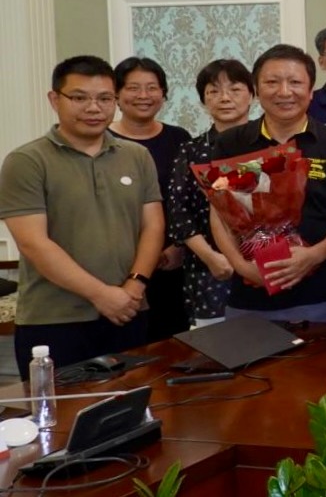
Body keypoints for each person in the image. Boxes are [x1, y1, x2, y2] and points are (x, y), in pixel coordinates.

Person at [0, 56, 162, 374]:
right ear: (54, 99)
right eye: (79, 98)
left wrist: (134, 287)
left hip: (128, 311)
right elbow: (34, 243)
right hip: (54, 321)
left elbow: (153, 226)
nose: (93, 108)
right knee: (60, 405)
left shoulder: (137, 156)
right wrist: (101, 295)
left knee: (132, 402)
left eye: (104, 98)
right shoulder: (27, 161)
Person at [211, 44, 326, 323]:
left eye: (295, 82)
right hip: (248, 301)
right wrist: (242, 267)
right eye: (272, 82)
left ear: (311, 90)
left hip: (321, 298)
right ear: (256, 90)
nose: (284, 92)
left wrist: (314, 255)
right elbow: (219, 215)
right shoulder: (231, 143)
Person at [108, 56, 193, 342]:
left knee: (170, 346)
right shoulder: (102, 139)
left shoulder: (179, 138)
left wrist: (179, 246)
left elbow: (190, 198)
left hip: (171, 264)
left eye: (152, 88)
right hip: (118, 267)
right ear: (117, 95)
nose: (143, 95)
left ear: (164, 94)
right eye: (133, 88)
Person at [166, 60, 252, 328]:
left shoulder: (266, 145)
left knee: (273, 340)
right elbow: (178, 211)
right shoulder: (191, 151)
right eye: (213, 91)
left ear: (252, 95)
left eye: (235, 89)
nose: (224, 98)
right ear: (204, 100)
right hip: (210, 267)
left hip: (265, 263)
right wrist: (210, 256)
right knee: (215, 343)